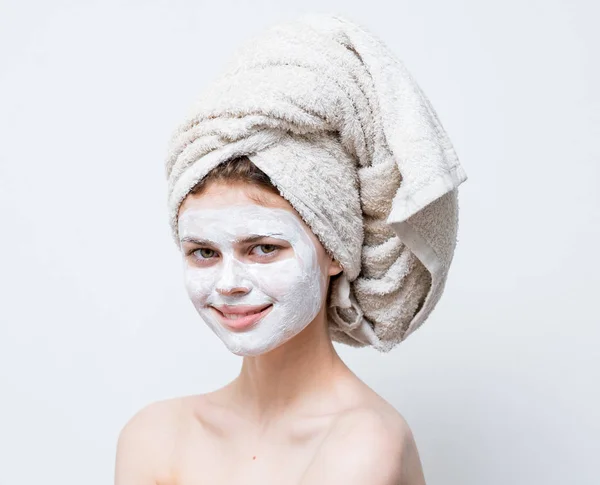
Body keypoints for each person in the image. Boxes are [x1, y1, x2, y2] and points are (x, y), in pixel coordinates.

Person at [114, 156, 427, 484]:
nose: (228, 284)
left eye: (264, 248)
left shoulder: (366, 442)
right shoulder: (152, 436)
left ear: (335, 251)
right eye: (205, 253)